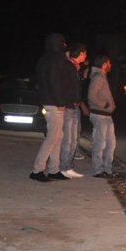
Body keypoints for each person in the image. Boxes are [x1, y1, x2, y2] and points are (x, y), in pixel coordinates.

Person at [31, 33, 75, 182]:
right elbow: (55, 83)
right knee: (52, 137)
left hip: (49, 101)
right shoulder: (56, 59)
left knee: (58, 136)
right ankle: (37, 170)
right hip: (54, 103)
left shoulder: (44, 59)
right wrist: (61, 102)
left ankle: (54, 169)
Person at [60, 43, 88, 179]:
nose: (86, 56)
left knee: (73, 139)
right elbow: (65, 87)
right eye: (85, 53)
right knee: (68, 139)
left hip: (74, 106)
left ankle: (68, 166)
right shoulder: (69, 66)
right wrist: (69, 102)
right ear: (80, 53)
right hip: (69, 107)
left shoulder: (76, 67)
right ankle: (64, 167)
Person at [87, 54, 117, 178]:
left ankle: (107, 169)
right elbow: (91, 95)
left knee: (111, 144)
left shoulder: (102, 76)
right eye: (109, 63)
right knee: (100, 144)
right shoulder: (98, 77)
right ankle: (98, 170)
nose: (110, 65)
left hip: (106, 115)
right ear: (104, 64)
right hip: (100, 115)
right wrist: (104, 105)